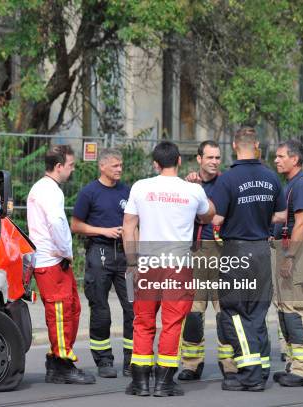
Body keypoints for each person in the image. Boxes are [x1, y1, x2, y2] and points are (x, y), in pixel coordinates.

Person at [122, 141, 215, 397]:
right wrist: (198, 195)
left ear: (155, 164)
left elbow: (128, 227)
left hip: (147, 264)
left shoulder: (140, 187)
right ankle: (164, 382)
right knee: (172, 324)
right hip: (178, 265)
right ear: (180, 162)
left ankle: (140, 383)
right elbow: (210, 214)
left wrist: (132, 263)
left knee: (143, 322)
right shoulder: (193, 190)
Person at [210, 127, 287, 392]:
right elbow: (281, 215)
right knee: (257, 312)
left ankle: (251, 375)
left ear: (234, 145)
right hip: (262, 252)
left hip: (236, 252)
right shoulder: (271, 177)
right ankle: (262, 368)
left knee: (233, 312)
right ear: (255, 145)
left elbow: (216, 219)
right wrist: (260, 217)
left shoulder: (228, 180)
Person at [27, 144, 96, 385]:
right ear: (58, 167)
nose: (72, 170)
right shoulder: (51, 191)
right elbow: (56, 223)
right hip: (53, 260)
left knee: (70, 310)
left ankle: (57, 361)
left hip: (51, 259)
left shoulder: (43, 188)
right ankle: (62, 362)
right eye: (70, 165)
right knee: (61, 313)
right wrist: (67, 252)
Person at [71, 148, 134, 378]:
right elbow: (76, 225)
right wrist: (104, 231)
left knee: (133, 307)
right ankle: (104, 360)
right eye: (115, 165)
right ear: (103, 166)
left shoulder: (128, 191)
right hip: (100, 253)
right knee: (100, 309)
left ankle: (132, 360)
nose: (120, 169)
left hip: (125, 255)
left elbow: (134, 224)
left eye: (121, 165)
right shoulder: (89, 192)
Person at [178, 141, 237, 381]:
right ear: (199, 159)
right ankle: (191, 364)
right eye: (210, 157)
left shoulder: (227, 183)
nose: (214, 161)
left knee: (225, 313)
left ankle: (230, 364)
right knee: (193, 313)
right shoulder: (188, 185)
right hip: (196, 252)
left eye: (217, 157)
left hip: (223, 253)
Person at [272, 139, 303, 387]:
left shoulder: (302, 186)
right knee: (285, 310)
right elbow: (286, 217)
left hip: (299, 253)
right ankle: (293, 364)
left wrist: (290, 257)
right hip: (290, 248)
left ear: (295, 159)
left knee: (298, 311)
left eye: (281, 156)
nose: (276, 160)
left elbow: (300, 224)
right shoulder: (291, 185)